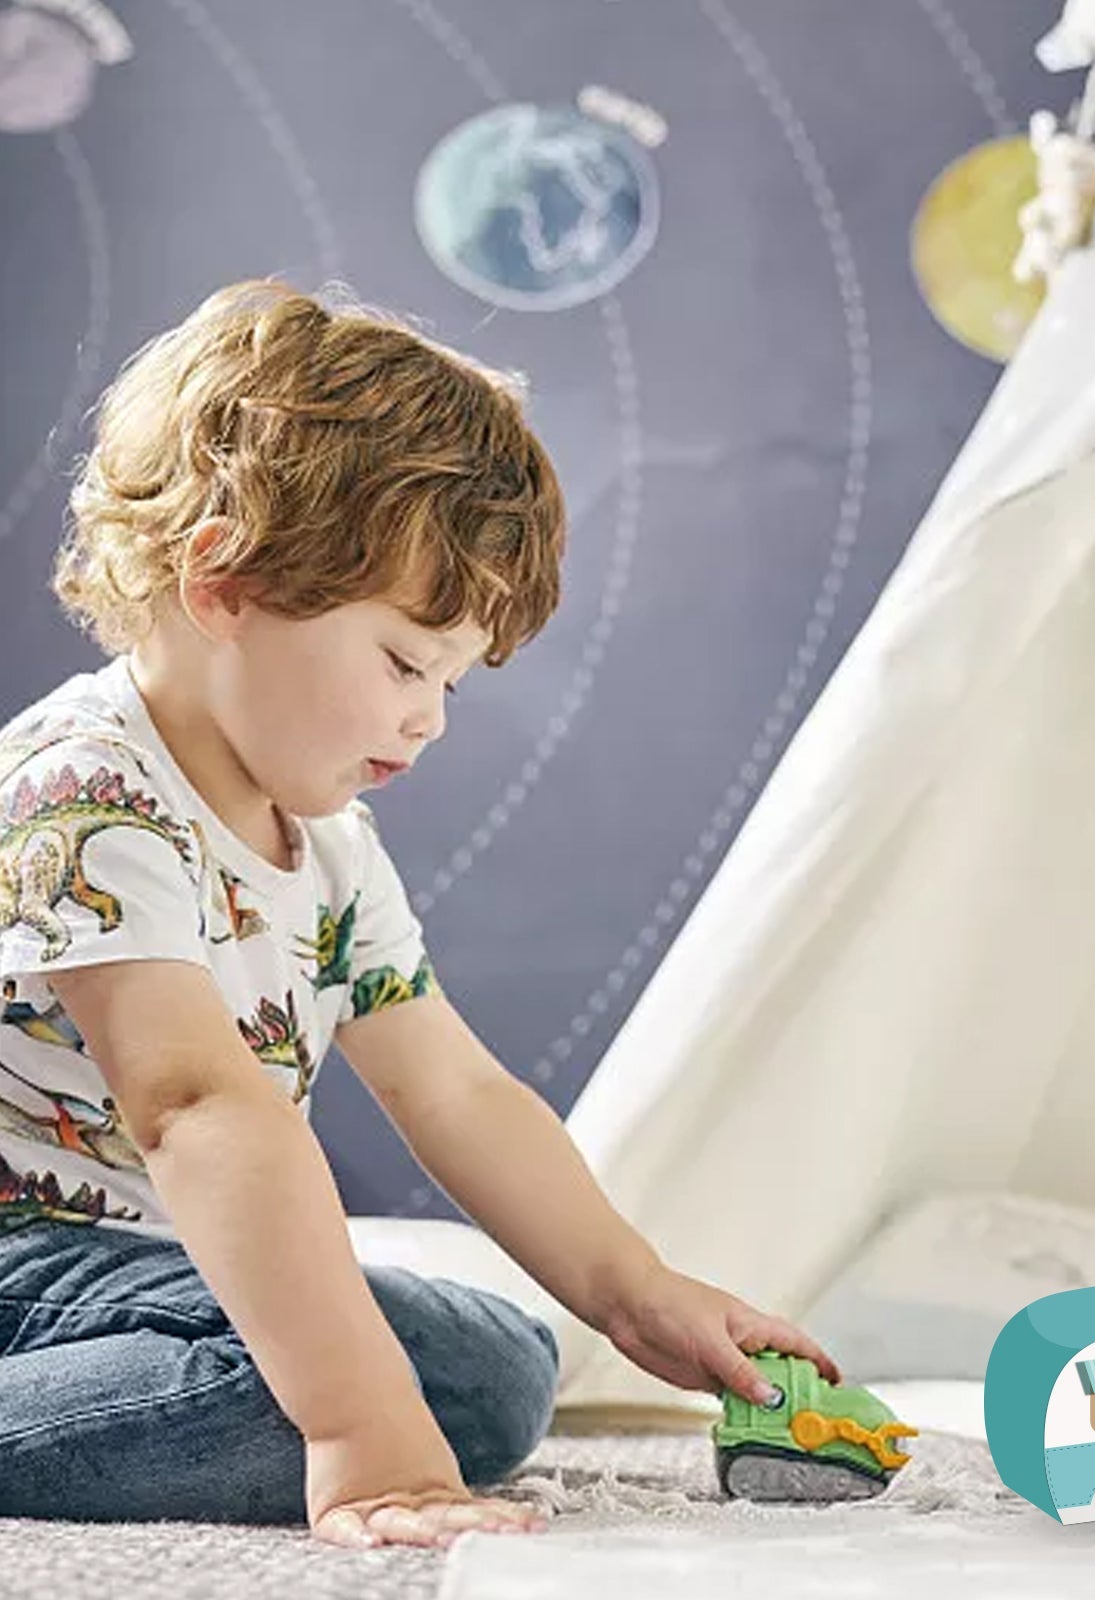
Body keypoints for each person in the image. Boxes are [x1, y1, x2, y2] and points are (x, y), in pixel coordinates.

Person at [0, 279, 838, 1549]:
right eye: (403, 661)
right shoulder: (85, 795)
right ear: (223, 581)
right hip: (28, 1268)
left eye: (451, 678)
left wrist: (634, 1291)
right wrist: (359, 1432)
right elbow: (195, 1106)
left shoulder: (328, 839)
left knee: (496, 1358)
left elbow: (455, 1090)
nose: (428, 717)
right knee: (386, 1387)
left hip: (146, 1285)